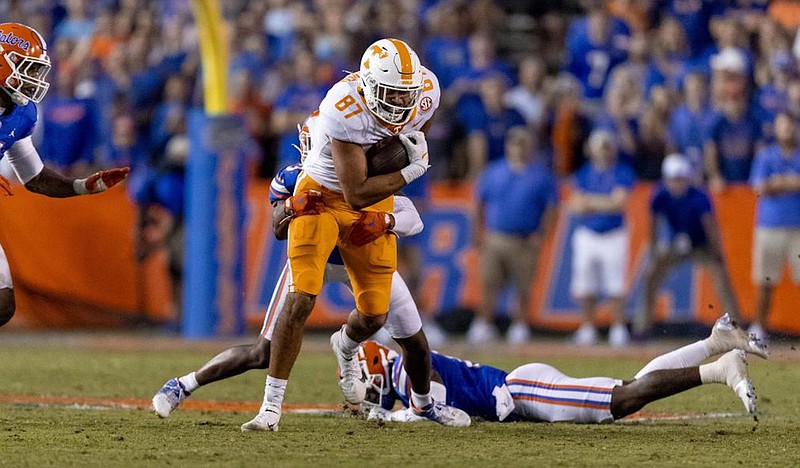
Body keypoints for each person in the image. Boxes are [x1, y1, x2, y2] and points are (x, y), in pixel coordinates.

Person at [151, 119, 464, 426]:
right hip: (314, 260)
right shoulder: (293, 177)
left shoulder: (363, 176)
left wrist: (386, 222)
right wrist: (292, 207)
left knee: (414, 341)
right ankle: (183, 384)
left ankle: (416, 401)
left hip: (364, 260)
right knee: (263, 352)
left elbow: (411, 216)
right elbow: (276, 228)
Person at [246, 39, 469, 431]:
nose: (400, 104)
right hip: (324, 196)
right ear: (365, 86)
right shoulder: (342, 108)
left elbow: (412, 138)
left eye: (406, 94)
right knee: (300, 300)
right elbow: (355, 192)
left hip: (374, 200)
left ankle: (348, 349)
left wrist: (401, 157)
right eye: (390, 94)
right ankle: (270, 407)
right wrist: (412, 170)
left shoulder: (427, 92)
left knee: (376, 315)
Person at [361, 314, 767, 424]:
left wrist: (401, 418)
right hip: (521, 389)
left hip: (521, 392)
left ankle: (721, 368)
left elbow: (441, 405)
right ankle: (715, 342)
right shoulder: (403, 366)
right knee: (627, 388)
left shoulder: (401, 369)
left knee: (620, 400)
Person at [0, 22, 129, 328]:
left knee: (3, 304)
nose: (34, 79)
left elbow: (35, 177)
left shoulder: (22, 114)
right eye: (28, 68)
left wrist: (81, 186)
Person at [469, 127, 558, 345]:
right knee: (489, 283)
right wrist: (478, 232)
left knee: (523, 286)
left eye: (522, 144)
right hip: (496, 236)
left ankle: (519, 325)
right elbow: (478, 203)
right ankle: (484, 323)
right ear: (508, 147)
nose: (518, 149)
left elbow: (552, 208)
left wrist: (542, 233)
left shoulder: (540, 176)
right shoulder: (493, 172)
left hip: (525, 239)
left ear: (530, 148)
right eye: (514, 144)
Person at [637, 154, 741, 336]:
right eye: (673, 180)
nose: (677, 184)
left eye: (680, 179)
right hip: (675, 242)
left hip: (702, 243)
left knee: (721, 278)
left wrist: (717, 253)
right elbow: (653, 224)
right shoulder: (659, 195)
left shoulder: (699, 197)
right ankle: (643, 327)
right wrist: (654, 252)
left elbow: (710, 226)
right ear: (666, 179)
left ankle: (734, 326)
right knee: (651, 275)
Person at [568, 130, 635, 347]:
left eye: (607, 147)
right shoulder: (584, 172)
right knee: (585, 281)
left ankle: (617, 328)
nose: (604, 152)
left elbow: (619, 203)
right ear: (592, 150)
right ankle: (588, 327)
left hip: (613, 233)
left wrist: (591, 203)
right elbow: (577, 205)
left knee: (615, 283)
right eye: (600, 147)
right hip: (588, 233)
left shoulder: (622, 172)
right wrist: (605, 203)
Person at [748, 112, 800, 341]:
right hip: (770, 225)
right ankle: (759, 326)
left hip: (797, 225)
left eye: (791, 126)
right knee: (765, 280)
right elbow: (758, 187)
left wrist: (779, 183)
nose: (788, 130)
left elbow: (771, 185)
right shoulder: (766, 155)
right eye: (783, 126)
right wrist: (787, 183)